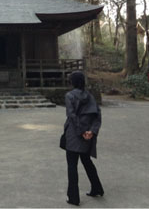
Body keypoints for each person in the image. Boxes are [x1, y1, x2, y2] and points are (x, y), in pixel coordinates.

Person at [62, 71, 103, 206]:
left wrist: (81, 132)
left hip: (74, 135)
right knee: (87, 162)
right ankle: (97, 188)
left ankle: (73, 197)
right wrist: (91, 131)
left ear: (72, 82)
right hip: (87, 136)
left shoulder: (69, 96)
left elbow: (72, 116)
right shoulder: (90, 96)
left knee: (72, 165)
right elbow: (97, 116)